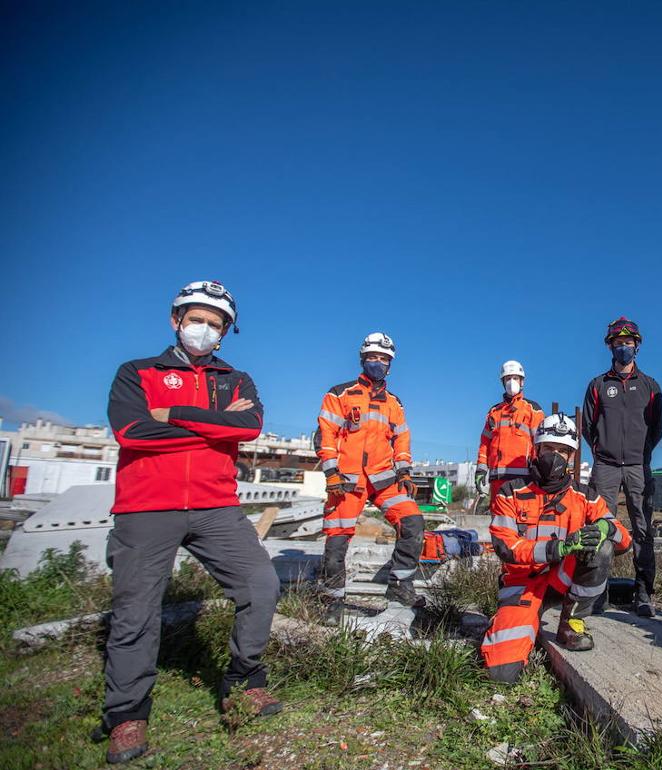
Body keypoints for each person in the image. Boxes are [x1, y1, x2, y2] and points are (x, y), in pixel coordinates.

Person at [100, 280, 279, 764]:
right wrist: (212, 427)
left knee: (260, 585)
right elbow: (133, 432)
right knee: (136, 612)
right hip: (145, 506)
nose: (203, 329)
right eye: (196, 318)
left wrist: (175, 414)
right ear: (176, 320)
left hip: (215, 505)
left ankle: (243, 681)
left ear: (225, 332)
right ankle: (127, 715)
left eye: (214, 323)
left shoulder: (235, 379)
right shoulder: (136, 372)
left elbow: (250, 427)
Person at [481, 414, 633, 684]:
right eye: (549, 448)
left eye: (563, 450)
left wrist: (604, 529)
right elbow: (506, 547)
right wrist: (559, 547)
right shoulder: (509, 492)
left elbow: (624, 539)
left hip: (559, 581)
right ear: (536, 449)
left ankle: (571, 622)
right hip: (522, 584)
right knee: (501, 674)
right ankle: (524, 619)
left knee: (603, 548)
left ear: (572, 456)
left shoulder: (585, 496)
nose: (555, 455)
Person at [314, 332, 425, 621]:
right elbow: (325, 434)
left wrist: (404, 471)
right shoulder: (340, 394)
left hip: (384, 478)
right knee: (337, 539)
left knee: (412, 521)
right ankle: (332, 601)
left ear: (391, 364)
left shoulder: (394, 403)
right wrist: (331, 472)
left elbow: (402, 439)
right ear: (363, 359)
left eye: (384, 359)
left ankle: (401, 586)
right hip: (347, 481)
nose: (379, 363)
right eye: (373, 357)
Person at [582, 317, 662, 617]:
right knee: (601, 528)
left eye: (628, 343)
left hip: (638, 468)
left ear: (637, 346)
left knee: (643, 529)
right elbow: (587, 427)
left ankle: (644, 594)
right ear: (610, 347)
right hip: (605, 467)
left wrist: (639, 456)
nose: (623, 348)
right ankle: (597, 593)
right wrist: (603, 453)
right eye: (618, 343)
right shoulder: (598, 385)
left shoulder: (651, 387)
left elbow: (656, 430)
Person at [475, 360, 545, 500]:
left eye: (515, 378)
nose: (511, 382)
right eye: (508, 378)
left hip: (524, 479)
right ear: (503, 382)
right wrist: (481, 469)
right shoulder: (494, 412)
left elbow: (540, 444)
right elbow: (485, 444)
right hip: (497, 479)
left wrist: (539, 470)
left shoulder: (532, 409)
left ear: (522, 382)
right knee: (499, 519)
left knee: (522, 519)